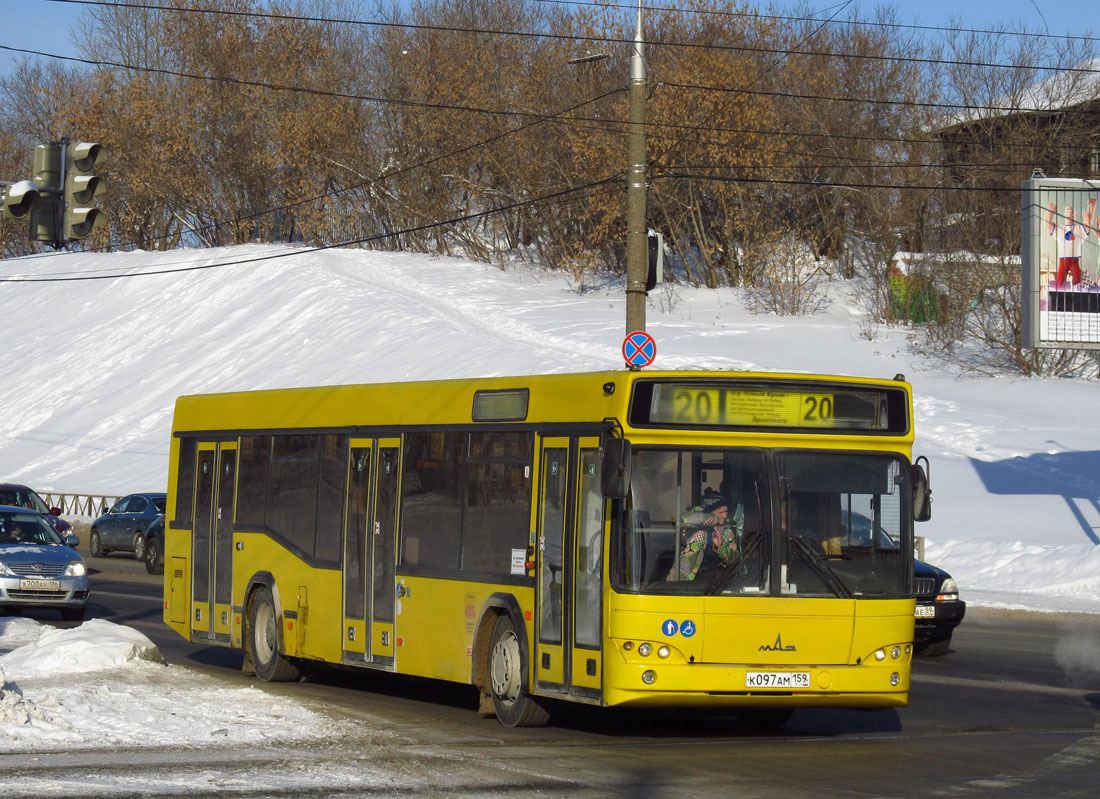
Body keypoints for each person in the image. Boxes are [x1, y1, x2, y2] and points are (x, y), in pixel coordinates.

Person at [667, 492, 744, 581]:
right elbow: (687, 517)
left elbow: (735, 559)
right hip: (687, 581)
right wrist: (715, 518)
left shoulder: (727, 532)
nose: (725, 515)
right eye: (720, 512)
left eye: (726, 511)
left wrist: (720, 547)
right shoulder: (694, 529)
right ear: (709, 513)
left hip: (716, 583)